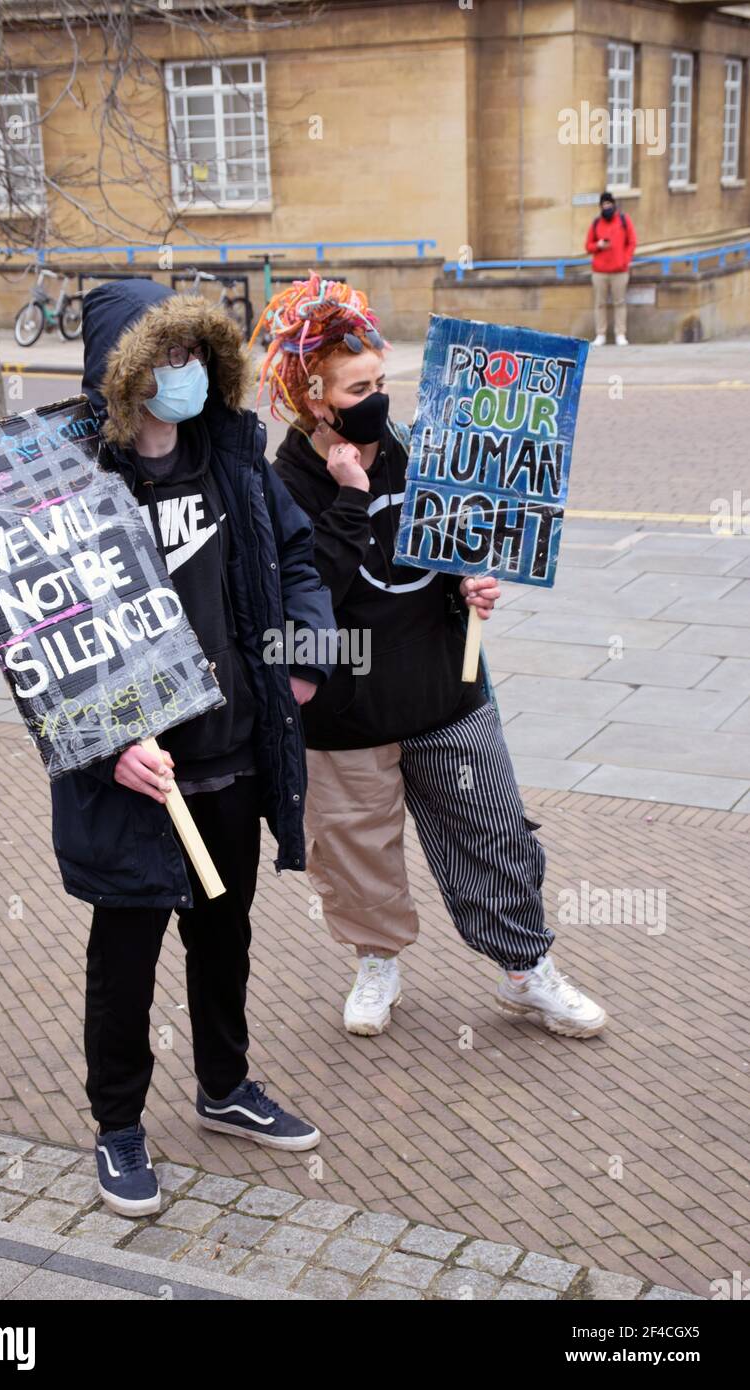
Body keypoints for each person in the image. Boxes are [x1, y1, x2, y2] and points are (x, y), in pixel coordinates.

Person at [255, 274, 607, 1043]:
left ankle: (525, 970)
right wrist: (349, 498)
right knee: (356, 857)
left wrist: (471, 582)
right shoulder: (279, 485)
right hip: (346, 717)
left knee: (496, 834)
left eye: (383, 380)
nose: (379, 396)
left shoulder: (425, 450)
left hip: (448, 694)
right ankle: (377, 961)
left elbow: (459, 540)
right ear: (316, 398)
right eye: (359, 386)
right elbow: (303, 598)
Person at [51, 279, 336, 1217]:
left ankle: (224, 1086)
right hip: (137, 777)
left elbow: (298, 562)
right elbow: (43, 640)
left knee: (225, 937)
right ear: (119, 373)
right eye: (159, 358)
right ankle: (119, 1128)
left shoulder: (236, 459)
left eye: (190, 356)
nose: (180, 376)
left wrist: (303, 661)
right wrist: (102, 748)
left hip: (230, 759)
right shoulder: (73, 483)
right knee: (124, 960)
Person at [585, 190, 637, 346]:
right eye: (604, 204)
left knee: (619, 302)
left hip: (619, 271)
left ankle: (620, 334)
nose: (607, 207)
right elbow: (588, 246)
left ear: (613, 205)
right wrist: (598, 245)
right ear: (601, 206)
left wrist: (625, 260)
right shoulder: (596, 223)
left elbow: (632, 242)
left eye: (609, 204)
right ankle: (600, 334)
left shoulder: (623, 220)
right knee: (600, 303)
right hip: (600, 271)